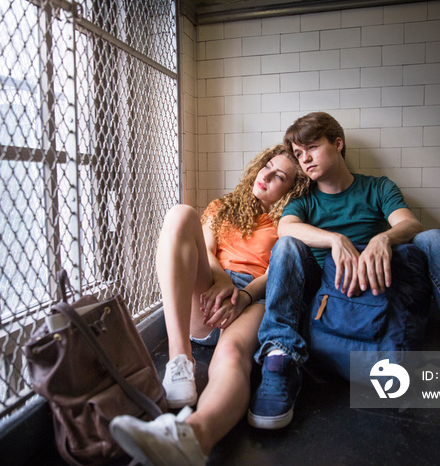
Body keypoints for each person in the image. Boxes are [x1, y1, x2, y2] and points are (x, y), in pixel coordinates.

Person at [247, 112, 440, 442]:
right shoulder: (304, 200)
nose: (305, 159)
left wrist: (383, 238)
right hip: (327, 294)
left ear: (337, 144)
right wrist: (335, 240)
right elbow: (286, 228)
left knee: (433, 238)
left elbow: (410, 223)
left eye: (312, 148)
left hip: (376, 289)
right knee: (287, 245)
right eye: (299, 155)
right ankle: (280, 357)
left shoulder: (377, 187)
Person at [109, 145, 311, 465]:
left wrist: (242, 295)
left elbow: (279, 273)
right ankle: (180, 364)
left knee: (231, 356)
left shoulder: (289, 220)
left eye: (279, 177)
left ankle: (193, 437)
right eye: (267, 167)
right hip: (213, 290)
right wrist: (223, 282)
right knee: (180, 213)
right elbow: (207, 249)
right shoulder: (223, 207)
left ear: (292, 189)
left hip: (255, 297)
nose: (267, 176)